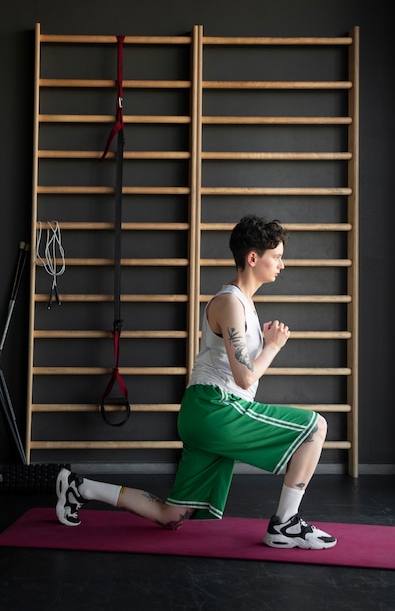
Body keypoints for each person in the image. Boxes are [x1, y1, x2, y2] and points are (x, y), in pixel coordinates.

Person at [56, 214, 336, 550]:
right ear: (252, 258)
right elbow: (244, 375)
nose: (281, 265)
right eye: (276, 256)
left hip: (204, 412)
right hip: (214, 407)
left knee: (172, 515)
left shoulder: (243, 303)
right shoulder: (230, 302)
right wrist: (273, 347)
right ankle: (285, 525)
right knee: (316, 427)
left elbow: (236, 365)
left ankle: (79, 487)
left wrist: (261, 342)